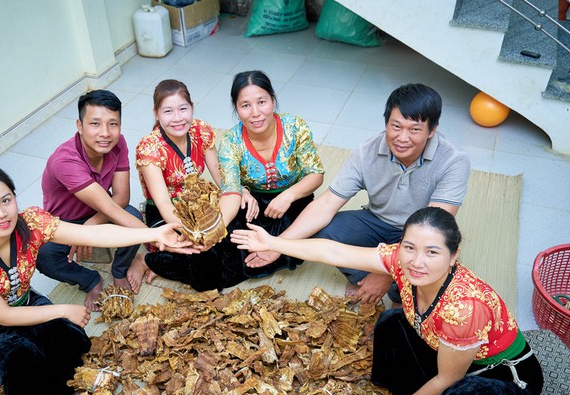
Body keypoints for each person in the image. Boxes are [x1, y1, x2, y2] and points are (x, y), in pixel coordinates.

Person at [232, 207, 543, 395]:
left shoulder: (464, 309)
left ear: (453, 255)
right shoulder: (401, 260)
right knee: (392, 321)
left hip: (505, 379)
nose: (416, 262)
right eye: (410, 247)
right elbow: (333, 250)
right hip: (450, 351)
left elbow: (446, 380)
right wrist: (274, 242)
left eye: (432, 252)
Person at [0, 165, 186, 395]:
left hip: (25, 302)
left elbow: (94, 236)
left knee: (72, 342)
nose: (1, 214)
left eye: (6, 200)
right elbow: (4, 315)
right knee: (28, 369)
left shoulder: (31, 224)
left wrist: (152, 234)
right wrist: (63, 310)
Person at [245, 83, 471, 307]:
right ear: (386, 123)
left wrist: (384, 274)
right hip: (378, 222)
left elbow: (432, 230)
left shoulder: (454, 161)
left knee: (434, 268)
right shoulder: (367, 151)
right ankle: (367, 281)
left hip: (421, 233)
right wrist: (276, 245)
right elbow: (326, 204)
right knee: (325, 230)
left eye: (414, 130)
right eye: (396, 126)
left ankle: (395, 290)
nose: (402, 138)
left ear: (432, 130)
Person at [128, 79, 259, 292]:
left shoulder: (201, 130)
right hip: (168, 214)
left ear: (192, 107)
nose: (178, 118)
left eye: (183, 109)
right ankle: (148, 260)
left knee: (246, 215)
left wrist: (240, 192)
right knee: (203, 258)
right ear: (156, 113)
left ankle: (176, 262)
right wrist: (195, 232)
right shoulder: (149, 148)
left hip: (200, 204)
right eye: (168, 111)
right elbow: (162, 201)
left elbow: (221, 177)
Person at [36, 89, 147, 311]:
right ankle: (90, 280)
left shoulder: (118, 143)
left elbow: (122, 197)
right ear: (79, 126)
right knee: (44, 257)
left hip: (100, 210)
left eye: (112, 124)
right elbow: (113, 206)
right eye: (95, 124)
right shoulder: (65, 160)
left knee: (132, 218)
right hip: (65, 221)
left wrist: (90, 226)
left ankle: (119, 269)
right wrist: (157, 237)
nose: (105, 133)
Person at [217, 69, 325, 277]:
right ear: (236, 109)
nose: (256, 113)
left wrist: (288, 196)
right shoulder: (230, 142)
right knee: (229, 247)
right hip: (254, 207)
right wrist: (242, 192)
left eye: (262, 102)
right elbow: (230, 189)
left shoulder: (295, 127)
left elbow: (316, 175)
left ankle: (280, 247)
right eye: (246, 105)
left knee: (313, 229)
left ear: (273, 100)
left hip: (294, 200)